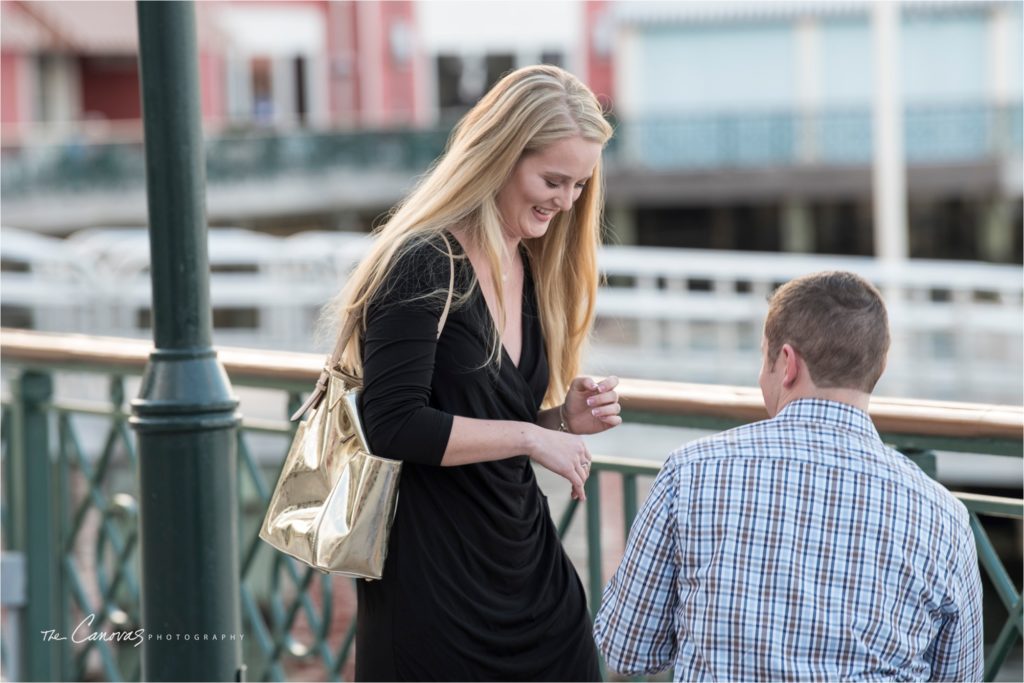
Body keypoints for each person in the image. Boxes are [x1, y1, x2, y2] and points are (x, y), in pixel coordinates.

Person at [324, 65, 620, 681]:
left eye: (580, 185)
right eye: (553, 180)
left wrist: (560, 418)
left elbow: (486, 415)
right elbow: (394, 425)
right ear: (500, 156)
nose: (567, 202)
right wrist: (532, 437)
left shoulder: (530, 263)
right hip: (434, 585)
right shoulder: (423, 262)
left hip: (527, 570)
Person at [593, 271, 984, 682]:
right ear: (879, 366)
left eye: (764, 359)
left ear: (787, 363)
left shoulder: (690, 472)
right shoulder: (945, 517)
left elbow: (627, 647)